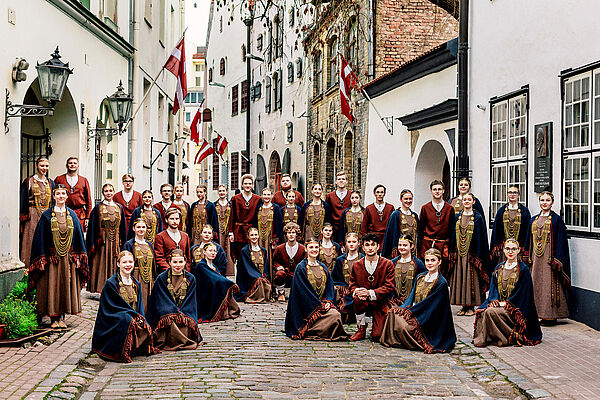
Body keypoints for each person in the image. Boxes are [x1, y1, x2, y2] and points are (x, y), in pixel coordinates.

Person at [28, 184, 88, 329]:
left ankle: (61, 317)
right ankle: (53, 318)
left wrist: (78, 257)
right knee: (53, 286)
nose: (61, 196)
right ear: (53, 196)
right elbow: (40, 238)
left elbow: (78, 237)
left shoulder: (72, 215)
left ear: (67, 196)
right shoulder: (46, 215)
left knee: (65, 286)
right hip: (52, 258)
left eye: (63, 194)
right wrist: (42, 258)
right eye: (58, 194)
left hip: (68, 258)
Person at [380, 248, 456, 353]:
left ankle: (411, 341)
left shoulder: (441, 283)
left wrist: (412, 313)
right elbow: (411, 297)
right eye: (427, 260)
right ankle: (395, 340)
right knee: (392, 313)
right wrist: (403, 309)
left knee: (405, 327)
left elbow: (432, 306)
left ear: (440, 262)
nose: (429, 263)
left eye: (433, 260)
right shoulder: (420, 277)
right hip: (415, 311)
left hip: (427, 319)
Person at [473, 239, 542, 347]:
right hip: (499, 304)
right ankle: (492, 338)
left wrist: (507, 304)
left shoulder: (523, 270)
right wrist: (494, 299)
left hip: (515, 308)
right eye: (508, 249)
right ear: (504, 250)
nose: (510, 252)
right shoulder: (498, 268)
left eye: (513, 249)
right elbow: (494, 288)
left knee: (490, 312)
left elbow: (524, 294)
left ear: (518, 250)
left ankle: (505, 339)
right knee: (483, 311)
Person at [92, 251, 155, 362]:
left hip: (132, 316)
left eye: (130, 262)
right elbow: (111, 306)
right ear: (118, 264)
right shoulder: (111, 283)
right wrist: (131, 315)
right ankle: (121, 351)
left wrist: (140, 318)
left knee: (144, 324)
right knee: (126, 320)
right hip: (114, 318)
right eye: (124, 262)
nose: (128, 265)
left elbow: (139, 305)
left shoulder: (136, 283)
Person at [284, 239, 349, 341]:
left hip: (323, 304)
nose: (314, 250)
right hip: (307, 309)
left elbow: (329, 286)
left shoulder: (323, 266)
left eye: (316, 247)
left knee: (336, 315)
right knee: (333, 318)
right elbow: (303, 292)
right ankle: (310, 329)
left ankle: (322, 329)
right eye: (311, 247)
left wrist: (328, 301)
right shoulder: (301, 268)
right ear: (306, 249)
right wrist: (319, 306)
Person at [524, 191, 571, 324]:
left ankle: (550, 315)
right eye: (542, 200)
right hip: (535, 257)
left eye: (547, 200)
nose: (544, 203)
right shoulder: (533, 219)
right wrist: (527, 255)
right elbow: (529, 238)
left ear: (552, 202)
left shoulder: (556, 220)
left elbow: (561, 240)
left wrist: (556, 259)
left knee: (548, 284)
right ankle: (537, 314)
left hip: (549, 258)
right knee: (536, 283)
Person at [146, 249, 201, 351]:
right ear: (169, 262)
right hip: (167, 311)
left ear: (185, 262)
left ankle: (183, 341)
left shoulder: (191, 278)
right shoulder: (162, 278)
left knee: (184, 324)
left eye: (180, 262)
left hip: (184, 310)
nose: (178, 265)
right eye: (175, 262)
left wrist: (181, 312)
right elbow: (160, 299)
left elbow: (191, 300)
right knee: (170, 320)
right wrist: (173, 311)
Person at [448, 193, 490, 316]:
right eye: (465, 200)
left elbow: (481, 237)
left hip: (472, 254)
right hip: (459, 254)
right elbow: (453, 235)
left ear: (473, 202)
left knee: (471, 278)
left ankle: (471, 306)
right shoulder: (457, 217)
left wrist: (478, 254)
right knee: (461, 278)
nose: (466, 201)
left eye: (469, 200)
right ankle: (463, 306)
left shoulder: (478, 217)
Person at [348, 233, 396, 342]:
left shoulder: (387, 264)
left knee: (377, 336)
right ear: (363, 247)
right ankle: (361, 328)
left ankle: (377, 326)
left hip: (380, 302)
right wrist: (358, 291)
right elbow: (352, 284)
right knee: (357, 299)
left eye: (373, 244)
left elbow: (389, 286)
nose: (370, 248)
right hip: (362, 301)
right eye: (367, 245)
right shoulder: (357, 265)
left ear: (378, 247)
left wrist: (370, 293)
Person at [87, 183, 127, 293]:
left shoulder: (119, 208)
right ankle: (100, 288)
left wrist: (123, 242)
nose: (108, 193)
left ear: (113, 192)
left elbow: (123, 226)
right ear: (103, 193)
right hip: (102, 243)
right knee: (102, 265)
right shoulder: (98, 208)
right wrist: (93, 243)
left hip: (115, 242)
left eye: (110, 191)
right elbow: (92, 226)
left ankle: (115, 289)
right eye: (106, 191)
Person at [191, 242, 241, 323]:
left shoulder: (213, 266)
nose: (213, 253)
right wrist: (228, 282)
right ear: (204, 252)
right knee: (223, 285)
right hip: (205, 294)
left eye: (215, 251)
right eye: (210, 251)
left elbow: (217, 278)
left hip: (212, 289)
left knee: (223, 287)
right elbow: (213, 278)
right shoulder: (201, 265)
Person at [20, 156, 55, 269]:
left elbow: (53, 202)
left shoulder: (50, 183)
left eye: (46, 166)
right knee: (30, 240)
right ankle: (28, 269)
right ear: (36, 166)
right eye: (42, 166)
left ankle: (45, 267)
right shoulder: (28, 181)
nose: (44, 168)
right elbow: (22, 201)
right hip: (32, 214)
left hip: (47, 215)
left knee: (46, 240)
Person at [490, 186, 531, 267]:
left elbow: (527, 231)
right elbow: (496, 230)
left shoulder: (524, 211)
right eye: (510, 193)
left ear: (519, 195)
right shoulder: (501, 211)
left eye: (515, 193)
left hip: (519, 249)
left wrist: (524, 248)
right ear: (507, 195)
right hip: (504, 249)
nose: (512, 195)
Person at [418, 180, 455, 271]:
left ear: (443, 191)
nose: (437, 191)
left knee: (443, 271)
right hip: (428, 244)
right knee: (427, 270)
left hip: (443, 246)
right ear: (431, 191)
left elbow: (452, 229)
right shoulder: (425, 208)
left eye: (439, 189)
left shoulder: (449, 208)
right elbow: (420, 228)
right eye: (435, 189)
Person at [227, 174, 262, 261]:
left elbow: (258, 217)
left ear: (252, 185)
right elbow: (232, 216)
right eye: (245, 183)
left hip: (251, 230)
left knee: (251, 255)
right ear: (242, 185)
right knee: (240, 256)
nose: (247, 186)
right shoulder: (235, 198)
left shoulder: (257, 199)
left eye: (250, 184)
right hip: (238, 231)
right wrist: (231, 232)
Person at [122, 219, 156, 309]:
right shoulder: (129, 244)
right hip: (136, 276)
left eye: (143, 227)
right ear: (134, 229)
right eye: (138, 227)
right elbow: (124, 263)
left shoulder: (149, 244)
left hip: (148, 278)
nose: (141, 229)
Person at [54, 157, 93, 231]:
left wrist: (88, 217)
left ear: (78, 166)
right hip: (63, 212)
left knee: (78, 236)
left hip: (79, 214)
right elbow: (53, 197)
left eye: (75, 163)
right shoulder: (59, 179)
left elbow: (88, 200)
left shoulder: (83, 180)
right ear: (66, 166)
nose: (72, 165)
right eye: (70, 163)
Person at [332, 233, 363, 323]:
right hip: (344, 289)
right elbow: (335, 278)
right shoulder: (340, 260)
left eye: (354, 242)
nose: (351, 244)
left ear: (359, 243)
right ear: (346, 243)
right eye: (349, 242)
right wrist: (344, 288)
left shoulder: (363, 259)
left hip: (359, 289)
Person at [235, 228, 272, 303]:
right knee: (260, 282)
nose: (254, 237)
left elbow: (266, 266)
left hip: (261, 277)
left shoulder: (263, 250)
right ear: (248, 237)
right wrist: (257, 277)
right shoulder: (245, 251)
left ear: (259, 236)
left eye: (256, 235)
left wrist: (264, 276)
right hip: (249, 279)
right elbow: (247, 267)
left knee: (266, 285)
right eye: (252, 235)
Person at [272, 222, 306, 302]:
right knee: (279, 274)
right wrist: (278, 267)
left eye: (293, 232)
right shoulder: (280, 248)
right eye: (289, 232)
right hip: (285, 274)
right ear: (286, 234)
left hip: (297, 274)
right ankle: (281, 293)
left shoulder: (302, 248)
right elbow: (275, 262)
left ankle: (299, 293)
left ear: (296, 234)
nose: (291, 235)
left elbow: (305, 262)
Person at [382, 189, 419, 259]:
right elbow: (389, 236)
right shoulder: (395, 215)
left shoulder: (415, 215)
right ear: (401, 199)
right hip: (400, 250)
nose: (408, 201)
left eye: (410, 199)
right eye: (406, 199)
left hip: (413, 250)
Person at [390, 235, 426, 305]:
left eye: (405, 245)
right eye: (400, 245)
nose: (402, 247)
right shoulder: (392, 263)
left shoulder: (418, 263)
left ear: (411, 246)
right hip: (394, 301)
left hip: (412, 301)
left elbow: (421, 284)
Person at [257, 188, 284, 277]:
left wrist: (278, 239)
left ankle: (271, 281)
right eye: (265, 195)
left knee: (270, 259)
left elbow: (279, 224)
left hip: (271, 238)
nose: (266, 197)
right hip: (260, 237)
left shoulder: (275, 208)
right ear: (262, 195)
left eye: (268, 195)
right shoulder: (259, 207)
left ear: (272, 196)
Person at [154, 208, 192, 272]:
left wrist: (186, 270)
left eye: (177, 219)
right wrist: (171, 270)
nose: (174, 221)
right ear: (166, 220)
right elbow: (159, 258)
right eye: (172, 219)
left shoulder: (185, 236)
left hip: (183, 273)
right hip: (167, 273)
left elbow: (188, 258)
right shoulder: (160, 236)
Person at [361, 184, 395, 249]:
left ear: (384, 194)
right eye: (378, 192)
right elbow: (364, 226)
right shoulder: (369, 208)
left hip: (386, 238)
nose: (380, 194)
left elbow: (393, 225)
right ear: (374, 194)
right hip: (373, 239)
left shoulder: (390, 208)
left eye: (382, 192)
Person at [214, 184, 235, 276]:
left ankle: (228, 272)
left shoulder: (231, 205)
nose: (222, 193)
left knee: (228, 251)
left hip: (228, 231)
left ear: (226, 192)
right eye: (220, 191)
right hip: (218, 231)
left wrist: (232, 232)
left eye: (223, 191)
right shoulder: (214, 204)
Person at [325, 171, 351, 240]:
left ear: (346, 181)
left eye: (343, 179)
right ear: (336, 181)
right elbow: (327, 213)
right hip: (334, 229)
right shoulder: (330, 196)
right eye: (339, 179)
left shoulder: (352, 195)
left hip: (348, 228)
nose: (341, 181)